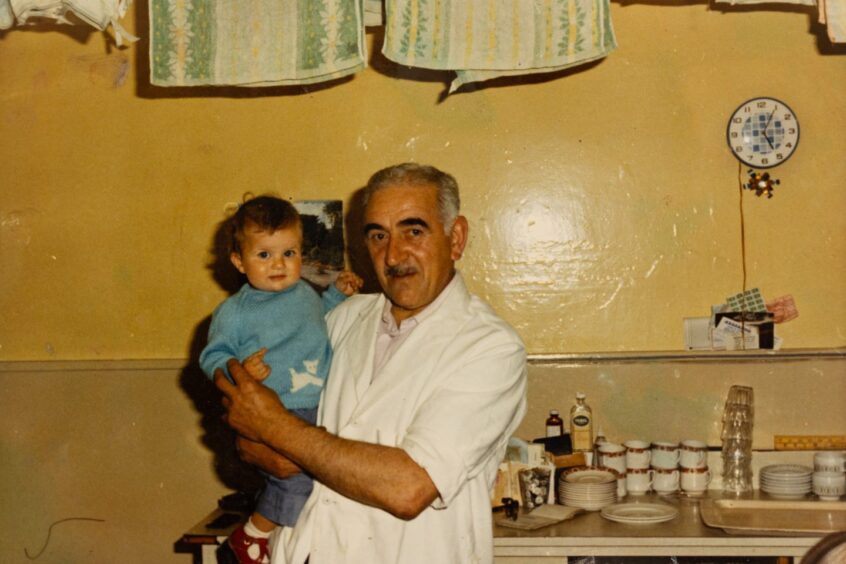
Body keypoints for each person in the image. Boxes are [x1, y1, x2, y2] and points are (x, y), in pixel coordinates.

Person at [215, 164, 528, 564]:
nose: (393, 255)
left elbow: (408, 487)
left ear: (456, 238)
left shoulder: (489, 348)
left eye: (413, 231)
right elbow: (250, 419)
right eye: (379, 235)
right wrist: (259, 439)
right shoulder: (342, 317)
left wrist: (276, 430)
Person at [199, 195, 362, 564]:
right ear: (239, 261)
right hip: (277, 410)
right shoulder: (235, 312)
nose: (279, 265)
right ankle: (253, 535)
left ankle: (279, 539)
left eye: (289, 253)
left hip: (321, 404)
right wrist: (239, 370)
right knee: (297, 478)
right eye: (264, 255)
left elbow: (319, 316)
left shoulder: (304, 292)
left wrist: (338, 294)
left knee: (329, 477)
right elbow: (213, 356)